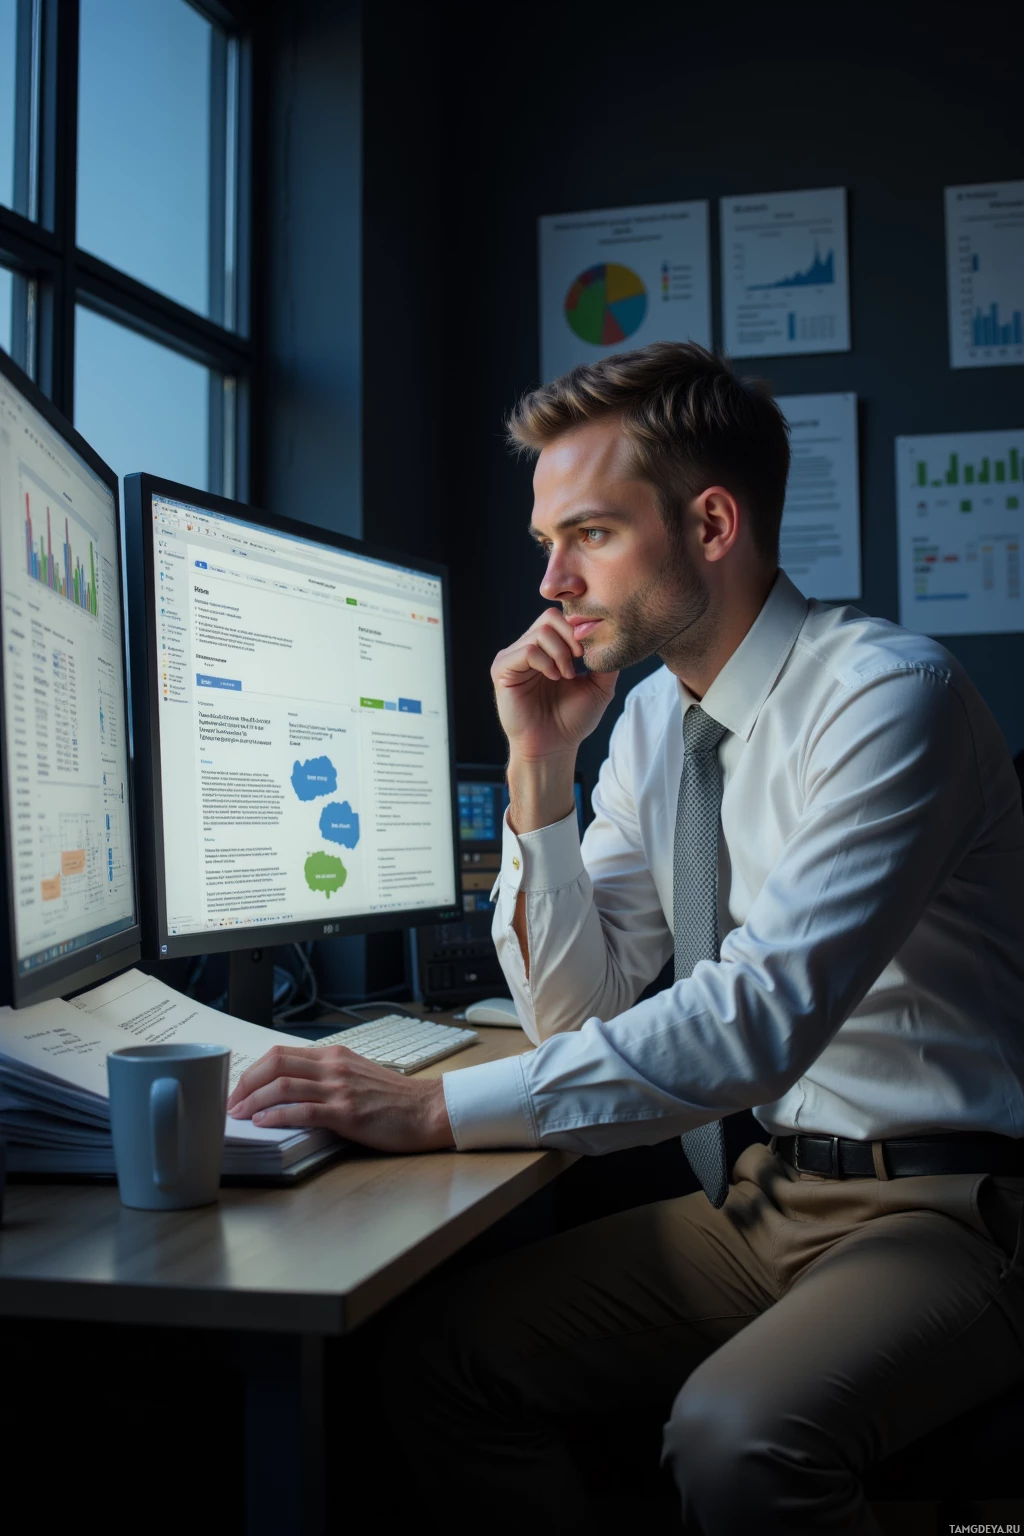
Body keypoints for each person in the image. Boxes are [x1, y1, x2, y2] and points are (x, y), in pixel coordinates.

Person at [227, 342, 1024, 1534]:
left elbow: (754, 1024)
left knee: (739, 1440)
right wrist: (541, 769)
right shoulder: (655, 723)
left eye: (588, 535)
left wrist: (432, 1110)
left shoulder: (886, 699)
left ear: (710, 523)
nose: (550, 582)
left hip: (946, 1211)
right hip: (765, 1199)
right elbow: (575, 1018)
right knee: (441, 1360)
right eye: (549, 540)